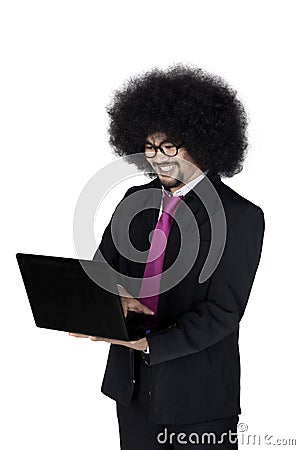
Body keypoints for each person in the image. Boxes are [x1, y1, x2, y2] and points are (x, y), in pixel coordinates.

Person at [70, 64, 265, 449]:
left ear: (202, 141)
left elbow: (223, 312)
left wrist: (150, 344)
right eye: (149, 146)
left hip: (199, 398)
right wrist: (99, 306)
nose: (158, 158)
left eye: (169, 146)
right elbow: (102, 272)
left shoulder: (239, 216)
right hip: (132, 388)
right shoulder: (133, 202)